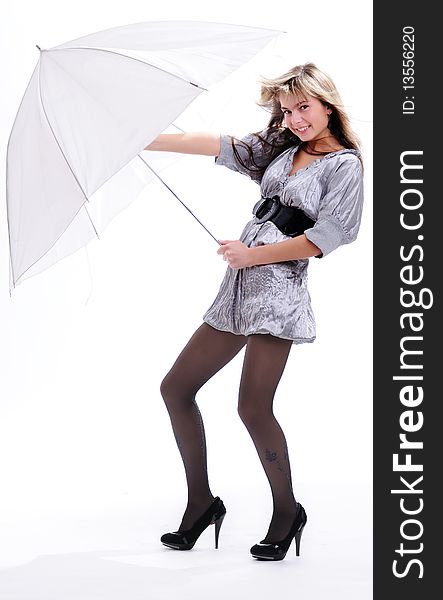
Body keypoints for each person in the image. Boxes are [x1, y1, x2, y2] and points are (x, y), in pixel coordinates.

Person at [144, 62, 364, 561]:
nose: (295, 119)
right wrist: (145, 140)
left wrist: (254, 255)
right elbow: (220, 145)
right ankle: (200, 504)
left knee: (252, 406)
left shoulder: (345, 164)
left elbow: (327, 238)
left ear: (328, 105)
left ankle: (287, 511)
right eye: (287, 110)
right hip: (239, 285)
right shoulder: (282, 147)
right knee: (176, 388)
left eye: (303, 107)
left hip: (279, 290)